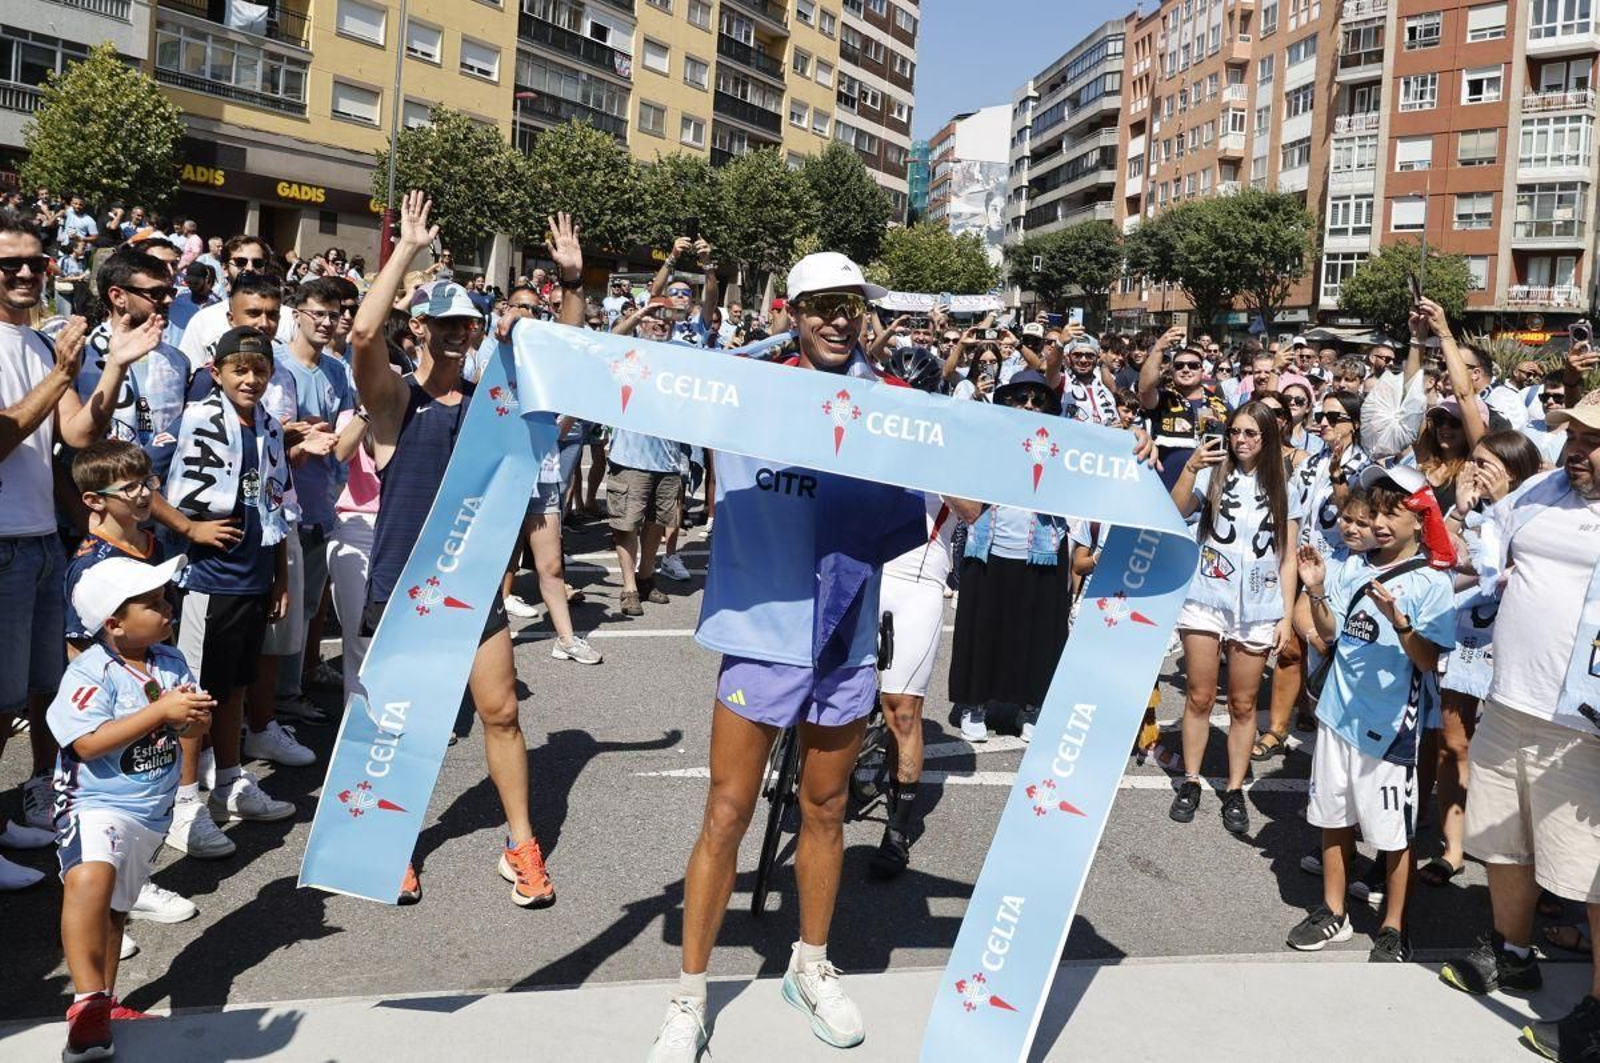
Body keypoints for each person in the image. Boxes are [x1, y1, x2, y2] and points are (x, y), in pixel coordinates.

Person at [646, 252, 929, 1061]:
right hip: (761, 636)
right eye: (822, 305)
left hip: (842, 638)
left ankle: (809, 962)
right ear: (792, 312)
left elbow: (953, 497)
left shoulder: (887, 407)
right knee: (727, 813)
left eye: (851, 305)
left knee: (827, 809)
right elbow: (644, 378)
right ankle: (688, 995)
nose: (840, 318)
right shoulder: (742, 390)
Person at [350, 191, 583, 906]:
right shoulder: (395, 403)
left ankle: (521, 844)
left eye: (469, 325)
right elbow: (362, 336)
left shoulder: (492, 407)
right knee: (403, 723)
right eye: (446, 323)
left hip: (472, 589)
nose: (458, 334)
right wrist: (405, 251)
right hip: (401, 587)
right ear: (419, 327)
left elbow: (563, 370)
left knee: (504, 712)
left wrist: (572, 284)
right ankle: (391, 844)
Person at [1437, 390, 1600, 1061]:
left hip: (1584, 726)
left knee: (1592, 878)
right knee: (1502, 841)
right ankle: (1511, 952)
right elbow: (1479, 549)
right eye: (1572, 437)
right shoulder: (1540, 488)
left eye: (1592, 442)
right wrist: (1465, 517)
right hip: (1508, 701)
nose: (1577, 452)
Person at [0, 217, 153, 881]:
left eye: (38, 262)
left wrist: (111, 365)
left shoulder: (35, 339)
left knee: (29, 694)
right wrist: (62, 372)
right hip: (4, 545)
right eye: (11, 265)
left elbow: (78, 433)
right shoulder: (41, 351)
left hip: (39, 541)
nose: (29, 274)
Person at [49, 555, 214, 1062]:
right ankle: (86, 1004)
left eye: (166, 600)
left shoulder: (170, 662)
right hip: (94, 802)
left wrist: (190, 720)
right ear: (113, 623)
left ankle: (106, 1006)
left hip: (149, 809)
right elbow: (87, 744)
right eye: (153, 604)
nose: (166, 609)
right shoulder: (90, 671)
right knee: (89, 879)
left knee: (117, 906)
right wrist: (159, 712)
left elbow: (188, 732)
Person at [1287, 467, 1455, 962]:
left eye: (1392, 513)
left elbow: (1427, 661)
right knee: (1332, 818)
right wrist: (1317, 588)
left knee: (1394, 833)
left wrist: (1400, 623)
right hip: (1338, 716)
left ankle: (1393, 926)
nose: (1379, 523)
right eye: (1375, 512)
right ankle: (1333, 911)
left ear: (1419, 520)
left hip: (1389, 731)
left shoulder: (1431, 584)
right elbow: (1331, 631)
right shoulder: (1350, 565)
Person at [1168, 401, 1302, 834]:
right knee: (1200, 695)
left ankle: (1235, 787)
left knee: (1245, 704)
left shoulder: (1284, 484)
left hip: (1259, 607)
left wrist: (1284, 615)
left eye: (1250, 434)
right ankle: (1190, 779)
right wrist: (1190, 467)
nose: (1240, 441)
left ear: (1267, 438)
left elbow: (1287, 558)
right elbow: (1175, 511)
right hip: (1206, 597)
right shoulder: (1213, 472)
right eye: (1235, 432)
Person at [1423, 431, 1544, 889]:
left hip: (1516, 643)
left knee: (1516, 760)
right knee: (1452, 744)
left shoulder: (1535, 512)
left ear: (1512, 469)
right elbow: (1440, 559)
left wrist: (1501, 501)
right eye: (1471, 460)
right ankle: (1453, 848)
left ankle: (1528, 863)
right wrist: (1458, 509)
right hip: (1464, 633)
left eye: (1484, 463)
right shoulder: (1465, 509)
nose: (1473, 470)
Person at [946, 368, 1079, 750]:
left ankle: (1031, 706)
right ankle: (974, 706)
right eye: (1020, 398)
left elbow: (1107, 456)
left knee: (1040, 634)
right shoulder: (987, 440)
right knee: (980, 630)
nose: (1029, 406)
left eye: (1038, 401)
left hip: (1043, 548)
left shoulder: (1066, 444)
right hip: (989, 547)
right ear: (1005, 402)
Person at [870, 348, 957, 879]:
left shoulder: (951, 444)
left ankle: (897, 830)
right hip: (862, 568)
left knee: (902, 709)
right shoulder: (874, 430)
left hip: (918, 581)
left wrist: (928, 455)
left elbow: (971, 508)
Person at [1138, 327, 1230, 489]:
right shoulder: (1162, 398)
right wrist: (1159, 348)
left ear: (1203, 370)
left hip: (1206, 492)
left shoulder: (1220, 404)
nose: (1186, 369)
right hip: (1165, 488)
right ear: (1172, 371)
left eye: (1193, 365)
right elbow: (1145, 388)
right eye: (1179, 366)